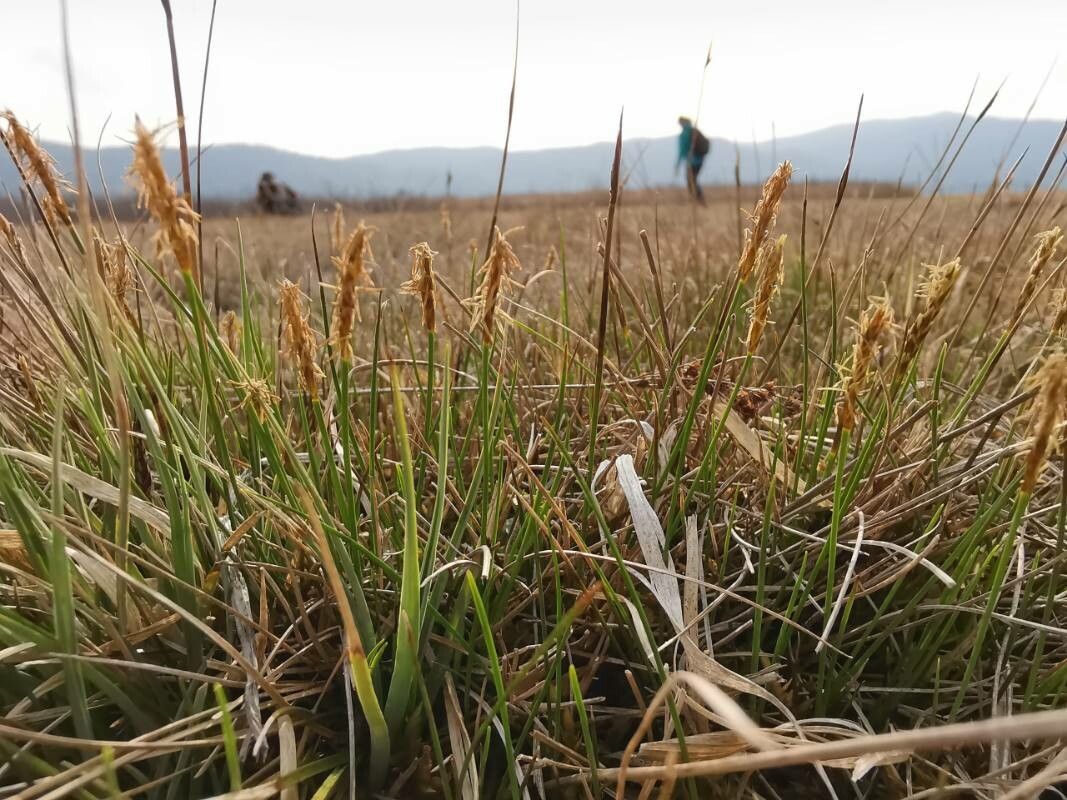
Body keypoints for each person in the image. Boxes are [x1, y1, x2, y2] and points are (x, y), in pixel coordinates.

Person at [676, 116, 710, 202]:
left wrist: (677, 165)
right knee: (693, 180)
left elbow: (682, 150)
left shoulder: (685, 133)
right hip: (700, 160)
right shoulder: (694, 131)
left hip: (692, 161)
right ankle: (699, 200)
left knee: (691, 181)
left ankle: (698, 200)